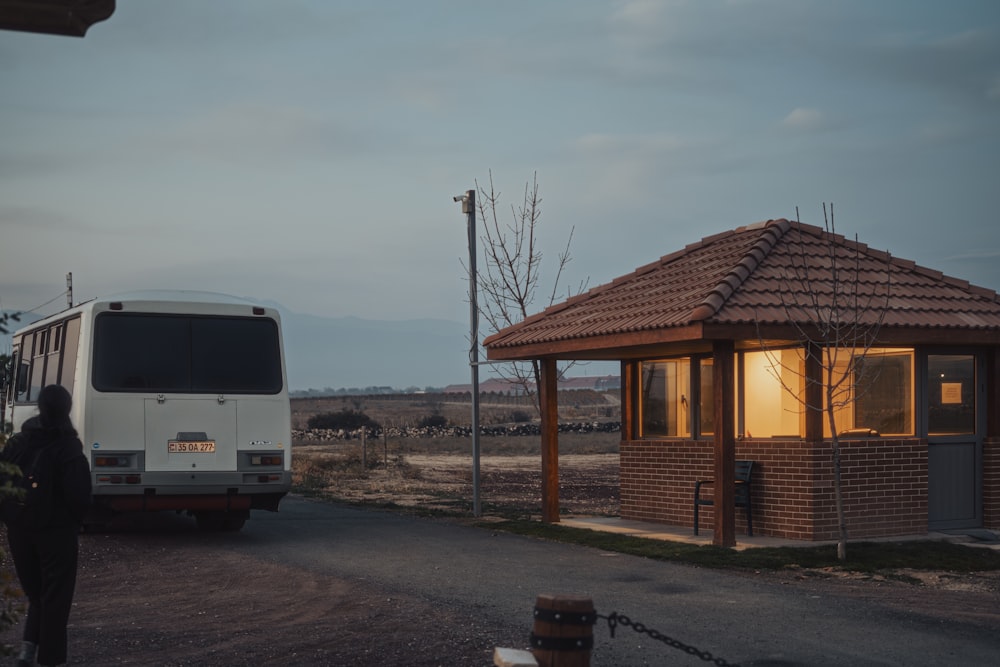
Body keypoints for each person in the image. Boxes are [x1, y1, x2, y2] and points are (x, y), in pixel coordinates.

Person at [2, 385, 92, 667]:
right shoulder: (67, 445)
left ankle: (27, 652)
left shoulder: (18, 442)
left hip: (19, 530)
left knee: (36, 595)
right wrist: (78, 521)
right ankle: (50, 660)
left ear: (39, 407)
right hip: (56, 532)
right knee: (55, 598)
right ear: (67, 408)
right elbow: (79, 494)